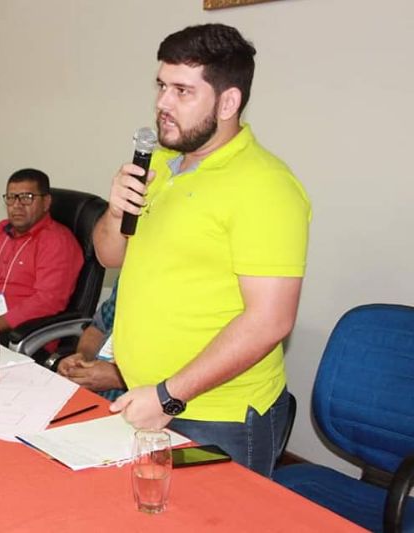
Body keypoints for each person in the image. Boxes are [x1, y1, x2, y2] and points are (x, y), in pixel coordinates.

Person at [92, 24, 311, 476]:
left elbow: (270, 320)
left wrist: (169, 395)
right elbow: (110, 257)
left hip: (217, 419)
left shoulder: (266, 187)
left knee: (208, 511)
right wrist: (115, 213)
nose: (162, 103)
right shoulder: (156, 164)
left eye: (182, 91)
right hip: (147, 398)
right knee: (145, 506)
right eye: (161, 86)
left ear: (228, 103)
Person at [0, 168, 83, 333]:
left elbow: (47, 301)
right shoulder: (1, 230)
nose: (16, 205)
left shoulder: (57, 242)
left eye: (26, 198)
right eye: (11, 198)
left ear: (46, 202)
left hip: (18, 334)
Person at [56, 279, 126, 401]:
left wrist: (119, 378)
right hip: (92, 393)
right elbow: (97, 328)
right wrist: (83, 356)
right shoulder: (130, 276)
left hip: (139, 404)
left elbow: (165, 395)